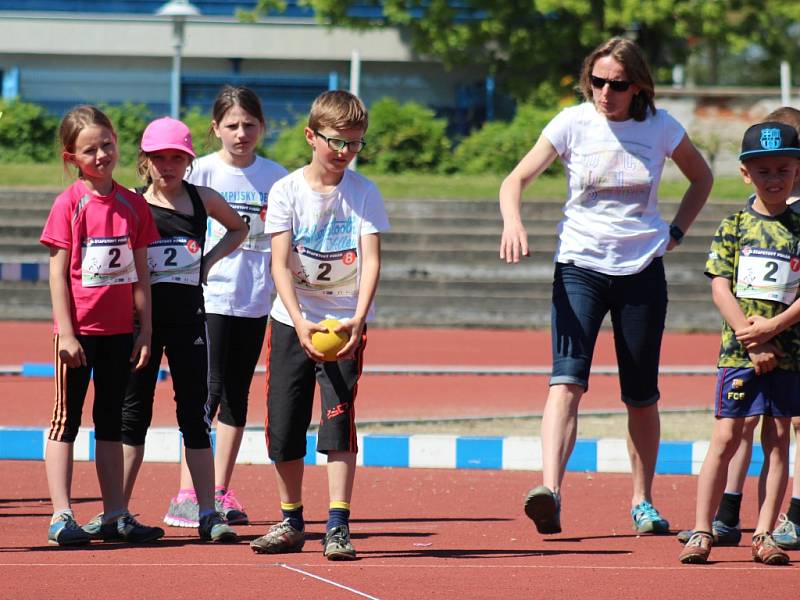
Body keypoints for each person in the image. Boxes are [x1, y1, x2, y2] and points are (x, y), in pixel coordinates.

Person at [499, 37, 713, 536]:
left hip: (641, 270)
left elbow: (701, 178)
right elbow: (515, 180)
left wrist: (676, 232)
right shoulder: (572, 123)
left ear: (637, 85)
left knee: (641, 395)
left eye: (617, 84)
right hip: (580, 266)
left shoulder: (660, 127)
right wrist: (513, 221)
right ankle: (550, 491)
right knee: (566, 381)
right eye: (597, 81)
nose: (605, 92)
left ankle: (643, 501)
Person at [80, 117, 249, 542]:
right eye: (159, 158)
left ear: (189, 161)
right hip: (141, 329)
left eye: (177, 158)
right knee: (131, 417)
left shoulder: (202, 199)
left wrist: (208, 263)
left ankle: (208, 512)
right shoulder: (133, 204)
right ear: (145, 161)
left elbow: (240, 228)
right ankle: (116, 512)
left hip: (189, 322)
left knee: (194, 415)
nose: (168, 166)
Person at [249, 90, 389, 560]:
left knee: (338, 425)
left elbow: (370, 261)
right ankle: (290, 519)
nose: (345, 153)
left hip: (344, 322)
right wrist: (300, 322)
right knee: (284, 427)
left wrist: (357, 317)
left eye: (355, 144)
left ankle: (337, 525)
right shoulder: (286, 191)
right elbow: (280, 264)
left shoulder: (364, 192)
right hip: (293, 322)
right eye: (336, 142)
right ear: (311, 136)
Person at [163, 86, 288, 527]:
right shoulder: (201, 173)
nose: (241, 133)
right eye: (232, 125)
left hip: (255, 299)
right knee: (206, 393)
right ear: (215, 128)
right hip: (210, 297)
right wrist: (206, 265)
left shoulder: (277, 177)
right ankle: (186, 492)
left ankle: (218, 489)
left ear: (262, 127)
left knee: (238, 395)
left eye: (249, 125)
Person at [676, 106, 800, 550]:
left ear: (797, 171)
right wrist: (750, 338)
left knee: (779, 437)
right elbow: (720, 288)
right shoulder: (734, 225)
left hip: (787, 351)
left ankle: (764, 532)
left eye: (784, 170)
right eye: (763, 170)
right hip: (738, 352)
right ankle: (703, 528)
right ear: (746, 173)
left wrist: (774, 329)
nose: (774, 179)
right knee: (727, 434)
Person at [40, 105, 163, 545]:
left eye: (107, 145)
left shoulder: (133, 204)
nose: (101, 155)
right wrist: (67, 332)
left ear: (117, 142)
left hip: (120, 334)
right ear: (72, 157)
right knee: (65, 422)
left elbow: (142, 272)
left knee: (109, 422)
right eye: (89, 150)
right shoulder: (69, 204)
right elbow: (57, 273)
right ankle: (61, 515)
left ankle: (114, 513)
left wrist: (145, 329)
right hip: (77, 335)